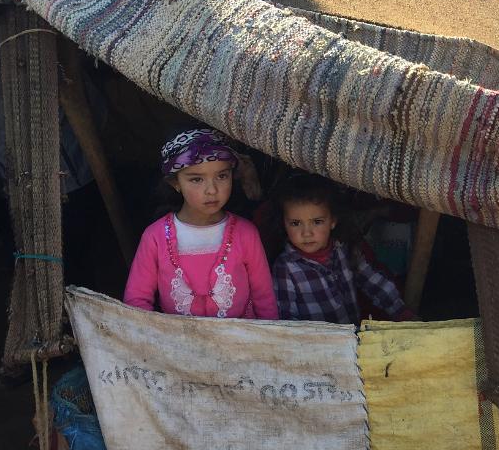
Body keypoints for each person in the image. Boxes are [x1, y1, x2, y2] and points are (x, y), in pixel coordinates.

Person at [124, 128, 278, 319]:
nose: (212, 190)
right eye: (197, 179)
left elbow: (265, 299)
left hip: (242, 337)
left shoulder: (246, 233)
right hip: (177, 338)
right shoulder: (155, 237)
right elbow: (136, 301)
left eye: (222, 176)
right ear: (175, 183)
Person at [271, 174, 409, 324]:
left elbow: (374, 282)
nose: (306, 233)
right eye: (296, 223)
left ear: (333, 221)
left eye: (317, 222)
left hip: (353, 335)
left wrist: (400, 312)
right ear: (284, 224)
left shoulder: (345, 249)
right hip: (313, 339)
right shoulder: (285, 268)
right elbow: (285, 319)